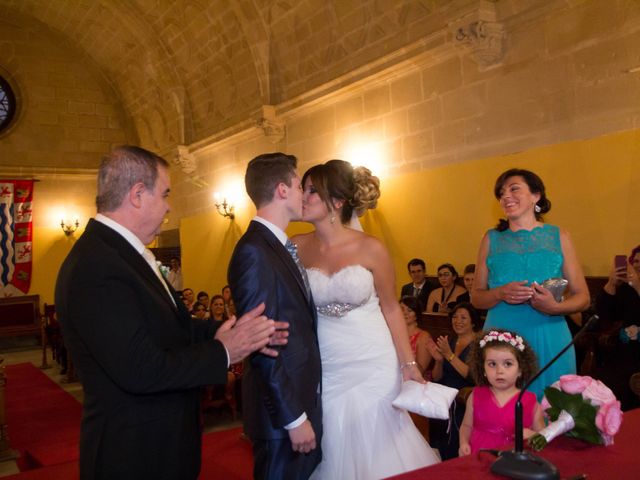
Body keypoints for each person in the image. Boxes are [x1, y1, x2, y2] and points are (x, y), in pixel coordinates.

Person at [55, 145, 285, 480]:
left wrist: (233, 330)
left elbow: (171, 326)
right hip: (134, 454)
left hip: (161, 444)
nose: (168, 206)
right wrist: (224, 350)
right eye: (164, 194)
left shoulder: (121, 255)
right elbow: (141, 369)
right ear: (137, 194)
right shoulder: (96, 266)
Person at [294, 159, 439, 479]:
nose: (303, 197)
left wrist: (409, 365)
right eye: (303, 189)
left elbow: (390, 308)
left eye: (312, 191)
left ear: (337, 202)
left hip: (373, 357)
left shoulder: (371, 248)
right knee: (335, 438)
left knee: (380, 439)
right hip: (328, 362)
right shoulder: (296, 247)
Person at [228, 152, 322, 480]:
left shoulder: (276, 246)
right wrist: (294, 418)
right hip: (281, 418)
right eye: (299, 186)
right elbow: (263, 348)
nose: (303, 195)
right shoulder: (254, 251)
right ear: (282, 190)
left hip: (296, 400)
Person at [471, 168, 590, 399]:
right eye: (501, 193)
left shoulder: (560, 236)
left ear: (536, 196)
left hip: (550, 334)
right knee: (505, 412)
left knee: (552, 406)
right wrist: (499, 293)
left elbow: (583, 297)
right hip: (503, 340)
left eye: (514, 189)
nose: (506, 196)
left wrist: (555, 307)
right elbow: (476, 297)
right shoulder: (491, 238)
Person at [459, 328, 544, 455]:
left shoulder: (530, 401)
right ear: (483, 369)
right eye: (492, 364)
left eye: (508, 364)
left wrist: (533, 435)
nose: (499, 371)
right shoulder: (476, 396)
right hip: (478, 457)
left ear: (520, 369)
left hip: (514, 461)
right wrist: (463, 443)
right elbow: (466, 426)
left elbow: (543, 436)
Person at [426, 302, 479, 460]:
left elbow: (472, 376)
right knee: (440, 445)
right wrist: (439, 361)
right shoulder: (449, 342)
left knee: (458, 446)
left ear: (473, 321)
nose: (458, 321)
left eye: (463, 317)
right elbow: (437, 377)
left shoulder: (478, 344)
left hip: (464, 401)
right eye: (455, 317)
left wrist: (450, 355)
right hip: (444, 400)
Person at [595, 246, 640, 410]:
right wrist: (611, 284)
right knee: (608, 380)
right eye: (635, 261)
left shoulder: (633, 285)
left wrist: (637, 285)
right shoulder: (625, 289)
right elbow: (604, 314)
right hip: (624, 350)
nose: (638, 265)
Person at [400, 295, 432, 377]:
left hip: (415, 380)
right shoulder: (394, 333)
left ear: (416, 315)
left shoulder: (423, 336)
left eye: (409, 310)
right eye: (402, 309)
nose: (405, 313)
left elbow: (421, 371)